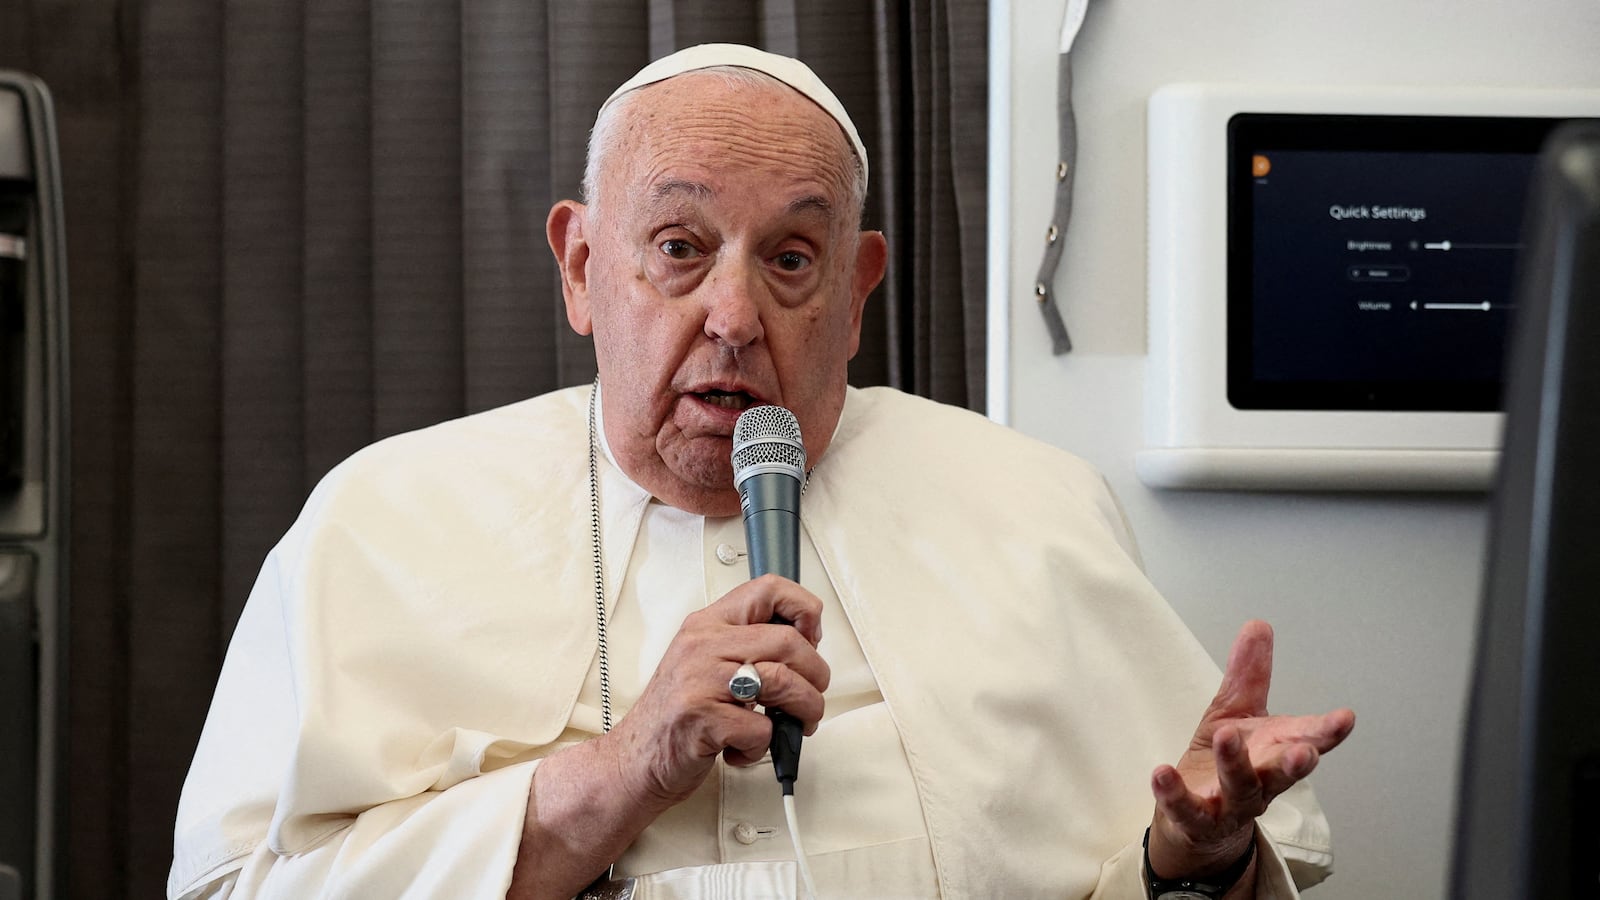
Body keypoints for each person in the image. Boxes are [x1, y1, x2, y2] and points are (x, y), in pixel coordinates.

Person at [168, 43, 1354, 900]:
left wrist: (1192, 864)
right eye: (678, 249)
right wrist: (620, 773)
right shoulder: (379, 522)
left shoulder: (1033, 507)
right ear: (582, 268)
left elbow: (1158, 876)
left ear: (857, 294)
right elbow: (234, 887)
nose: (733, 315)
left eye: (791, 258)